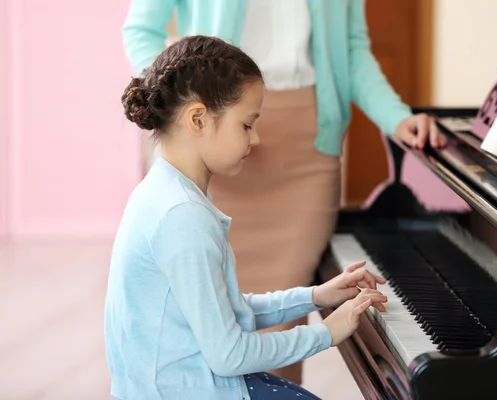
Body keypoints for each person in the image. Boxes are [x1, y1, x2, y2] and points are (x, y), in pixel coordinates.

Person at [122, 0, 445, 384]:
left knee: (281, 326)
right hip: (214, 135)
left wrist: (397, 117)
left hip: (306, 148)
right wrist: (182, 101)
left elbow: (353, 50)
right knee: (203, 322)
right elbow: (140, 30)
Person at [105, 34, 388, 400]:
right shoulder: (183, 217)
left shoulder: (164, 193)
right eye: (246, 125)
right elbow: (229, 354)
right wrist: (326, 334)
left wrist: (315, 297)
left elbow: (229, 310)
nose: (255, 140)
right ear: (198, 119)